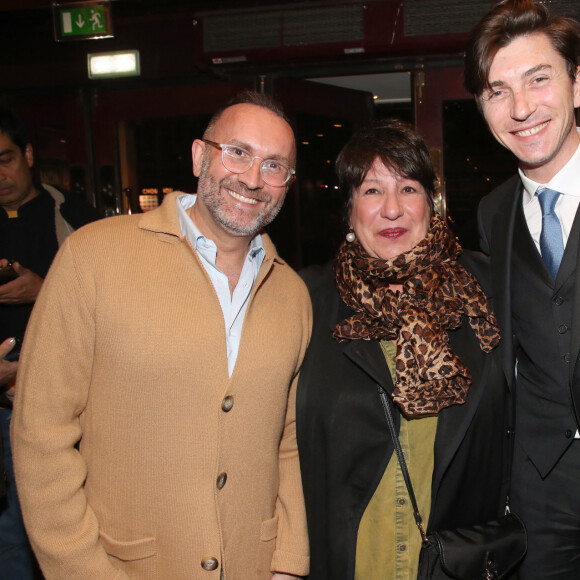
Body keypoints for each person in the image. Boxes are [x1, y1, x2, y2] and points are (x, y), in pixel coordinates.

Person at [11, 90, 312, 580]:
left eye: (275, 166)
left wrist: (288, 562)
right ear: (199, 155)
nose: (254, 178)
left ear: (287, 184)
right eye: (237, 152)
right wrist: (80, 569)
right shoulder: (94, 258)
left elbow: (289, 439)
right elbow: (40, 431)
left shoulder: (293, 294)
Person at [296, 119, 509, 579]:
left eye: (408, 189)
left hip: (458, 564)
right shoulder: (304, 303)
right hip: (348, 562)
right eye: (372, 191)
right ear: (349, 209)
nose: (392, 210)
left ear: (431, 204)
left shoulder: (485, 291)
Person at [464, 0, 580, 576]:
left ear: (577, 84)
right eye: (497, 90)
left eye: (539, 79)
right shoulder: (492, 212)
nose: (522, 108)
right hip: (538, 492)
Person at [0, 105, 101, 580]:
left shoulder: (74, 217)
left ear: (29, 154)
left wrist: (43, 289)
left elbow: (111, 304)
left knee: (60, 524)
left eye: (5, 158)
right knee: (11, 533)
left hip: (65, 402)